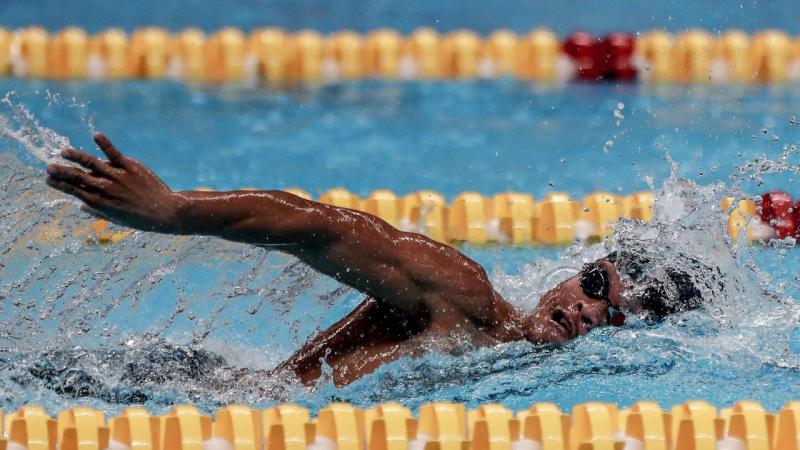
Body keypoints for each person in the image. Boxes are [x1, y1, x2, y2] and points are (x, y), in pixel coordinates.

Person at [45, 133, 708, 387]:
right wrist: (174, 212)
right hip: (184, 395)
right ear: (576, 269)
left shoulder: (518, 367)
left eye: (610, 314)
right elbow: (321, 227)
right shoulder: (467, 298)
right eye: (595, 284)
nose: (585, 310)